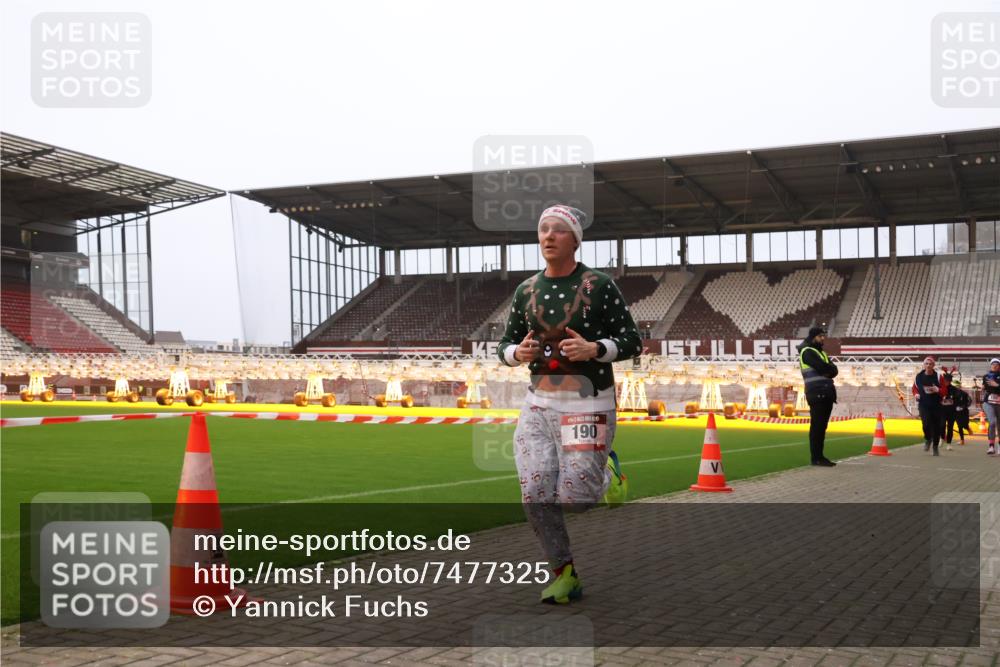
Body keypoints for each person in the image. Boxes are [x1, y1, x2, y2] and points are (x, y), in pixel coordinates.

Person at [497, 204, 641, 604]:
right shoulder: (525, 291)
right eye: (543, 229)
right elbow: (504, 344)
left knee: (576, 500)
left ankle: (610, 472)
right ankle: (564, 573)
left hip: (588, 403)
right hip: (537, 406)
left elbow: (632, 340)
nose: (548, 236)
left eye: (558, 230)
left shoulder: (600, 285)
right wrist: (516, 354)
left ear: (575, 239)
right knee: (535, 494)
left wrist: (594, 348)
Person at [797, 326, 838, 466]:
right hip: (817, 392)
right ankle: (816, 458)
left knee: (821, 427)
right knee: (818, 427)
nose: (823, 338)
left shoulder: (821, 353)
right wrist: (828, 370)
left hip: (825, 392)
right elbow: (824, 368)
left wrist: (828, 370)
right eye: (820, 336)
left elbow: (834, 370)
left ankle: (819, 457)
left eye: (823, 336)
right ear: (813, 337)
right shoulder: (807, 352)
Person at [914, 356, 944, 455]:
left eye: (930, 364)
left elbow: (945, 391)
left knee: (936, 427)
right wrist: (916, 394)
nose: (928, 366)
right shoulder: (919, 376)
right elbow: (914, 388)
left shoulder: (939, 377)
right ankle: (928, 439)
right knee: (925, 423)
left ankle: (935, 447)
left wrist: (938, 390)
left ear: (933, 365)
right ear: (924, 365)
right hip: (924, 404)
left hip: (936, 405)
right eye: (926, 364)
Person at [941, 373, 970, 450]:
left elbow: (957, 400)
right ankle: (942, 437)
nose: (946, 382)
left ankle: (949, 444)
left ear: (950, 381)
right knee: (942, 425)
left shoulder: (954, 390)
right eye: (945, 380)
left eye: (947, 381)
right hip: (942, 411)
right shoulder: (939, 388)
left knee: (950, 427)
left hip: (952, 411)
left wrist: (956, 403)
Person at [982, 358, 1000, 456]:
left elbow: (994, 386)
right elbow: (987, 387)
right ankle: (991, 446)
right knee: (992, 422)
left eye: (997, 364)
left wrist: (996, 385)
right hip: (988, 402)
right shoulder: (986, 376)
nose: (995, 365)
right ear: (991, 365)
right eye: (993, 364)